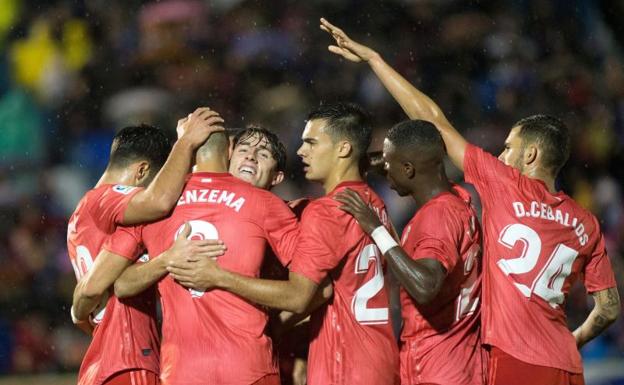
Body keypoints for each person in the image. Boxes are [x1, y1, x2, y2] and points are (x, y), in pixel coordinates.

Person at [320, 18, 620, 385]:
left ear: (531, 155)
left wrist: (376, 61)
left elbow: (431, 120)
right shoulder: (585, 221)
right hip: (567, 365)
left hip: (515, 359)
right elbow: (608, 308)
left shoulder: (503, 183)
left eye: (509, 148)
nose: (502, 154)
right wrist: (571, 341)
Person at [188, 103, 400, 385]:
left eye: (311, 142)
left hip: (342, 364)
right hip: (380, 358)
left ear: (343, 149)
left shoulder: (321, 212)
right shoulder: (371, 202)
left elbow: (303, 295)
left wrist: (218, 277)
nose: (301, 151)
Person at [107, 127, 301, 385]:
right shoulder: (271, 206)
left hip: (183, 372)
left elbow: (118, 284)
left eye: (262, 154)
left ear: (277, 177)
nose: (251, 157)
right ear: (229, 153)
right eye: (244, 150)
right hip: (246, 368)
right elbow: (312, 291)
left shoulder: (160, 200)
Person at [67, 108, 225, 385]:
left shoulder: (80, 217)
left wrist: (78, 308)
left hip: (103, 362)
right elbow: (159, 201)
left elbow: (86, 299)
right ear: (142, 171)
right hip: (129, 357)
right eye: (157, 178)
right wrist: (185, 143)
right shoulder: (105, 199)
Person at [334, 119, 484, 385]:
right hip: (463, 363)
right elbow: (404, 164)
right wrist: (360, 161)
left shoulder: (436, 216)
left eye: (389, 165)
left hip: (433, 365)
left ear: (408, 169)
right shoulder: (460, 200)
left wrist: (375, 228)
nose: (385, 170)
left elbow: (426, 285)